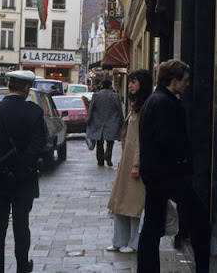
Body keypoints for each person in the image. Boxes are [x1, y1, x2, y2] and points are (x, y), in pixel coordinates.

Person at [137, 59, 210, 273]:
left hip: (156, 173)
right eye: (185, 80)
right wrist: (182, 163)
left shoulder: (156, 99)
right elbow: (167, 140)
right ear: (173, 80)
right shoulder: (164, 103)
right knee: (199, 220)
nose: (187, 84)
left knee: (152, 225)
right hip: (167, 175)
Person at [0, 70, 47, 273]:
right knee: (22, 225)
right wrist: (22, 163)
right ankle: (22, 266)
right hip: (24, 178)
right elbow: (41, 144)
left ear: (8, 85)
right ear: (26, 88)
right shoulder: (34, 112)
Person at [106, 69, 153, 254]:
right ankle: (118, 241)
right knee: (119, 203)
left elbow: (142, 139)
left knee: (133, 205)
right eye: (130, 81)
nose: (130, 85)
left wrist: (136, 164)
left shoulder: (145, 107)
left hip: (135, 163)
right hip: (126, 161)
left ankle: (134, 243)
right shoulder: (135, 105)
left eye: (134, 82)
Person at [86, 79, 124, 166]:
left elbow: (91, 109)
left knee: (99, 142)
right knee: (110, 141)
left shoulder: (96, 95)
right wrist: (121, 121)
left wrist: (89, 120)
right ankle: (108, 156)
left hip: (98, 122)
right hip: (112, 122)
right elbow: (119, 110)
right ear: (110, 86)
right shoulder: (115, 96)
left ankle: (100, 161)